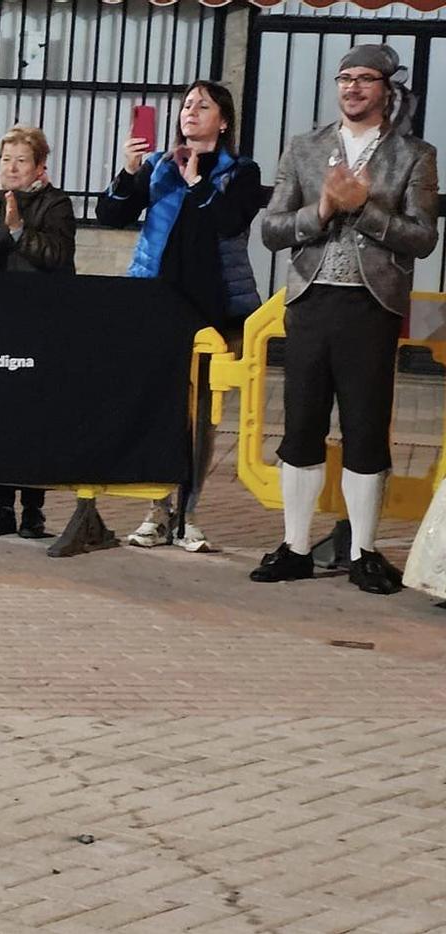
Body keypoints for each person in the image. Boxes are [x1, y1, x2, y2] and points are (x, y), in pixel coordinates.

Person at [255, 45, 438, 596]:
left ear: (387, 89)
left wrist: (364, 208)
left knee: (364, 428)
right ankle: (294, 546)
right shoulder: (304, 148)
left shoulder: (415, 154)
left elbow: (423, 238)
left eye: (365, 79)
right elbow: (272, 229)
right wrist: (326, 211)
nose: (353, 88)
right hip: (310, 301)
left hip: (371, 304)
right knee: (301, 425)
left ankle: (363, 552)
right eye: (345, 78)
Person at [98, 80, 264, 554]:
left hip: (215, 307)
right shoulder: (157, 165)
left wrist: (197, 183)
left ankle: (189, 513)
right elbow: (112, 215)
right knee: (161, 408)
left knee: (202, 417)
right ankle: (156, 511)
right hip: (156, 301)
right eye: (187, 105)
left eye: (202, 105)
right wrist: (128, 174)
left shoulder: (240, 171)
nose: (190, 112)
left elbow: (229, 221)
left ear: (223, 120)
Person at [0, 125, 76, 539]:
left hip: (41, 323)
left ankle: (34, 509)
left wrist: (20, 230)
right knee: (0, 417)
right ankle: (1, 505)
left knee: (36, 417)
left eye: (21, 161)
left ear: (40, 166)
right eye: (6, 159)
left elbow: (57, 256)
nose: (11, 168)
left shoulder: (56, 204)